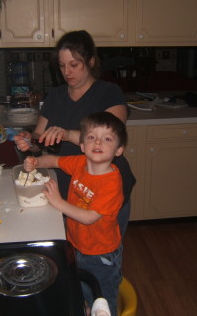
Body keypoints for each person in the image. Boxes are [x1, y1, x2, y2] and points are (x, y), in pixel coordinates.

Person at [14, 30, 136, 237]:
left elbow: (112, 137)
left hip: (102, 189)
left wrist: (67, 134)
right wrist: (28, 142)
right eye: (62, 66)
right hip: (65, 188)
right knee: (72, 249)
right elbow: (39, 139)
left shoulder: (109, 93)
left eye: (74, 65)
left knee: (103, 251)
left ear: (90, 61)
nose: (67, 72)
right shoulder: (55, 96)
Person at [23, 112, 127, 316]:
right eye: (91, 137)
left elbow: (89, 218)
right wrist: (35, 163)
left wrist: (58, 202)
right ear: (82, 145)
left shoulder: (111, 182)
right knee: (82, 291)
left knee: (102, 301)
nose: (98, 142)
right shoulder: (80, 163)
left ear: (118, 150)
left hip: (101, 254)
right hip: (77, 244)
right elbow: (54, 160)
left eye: (107, 139)